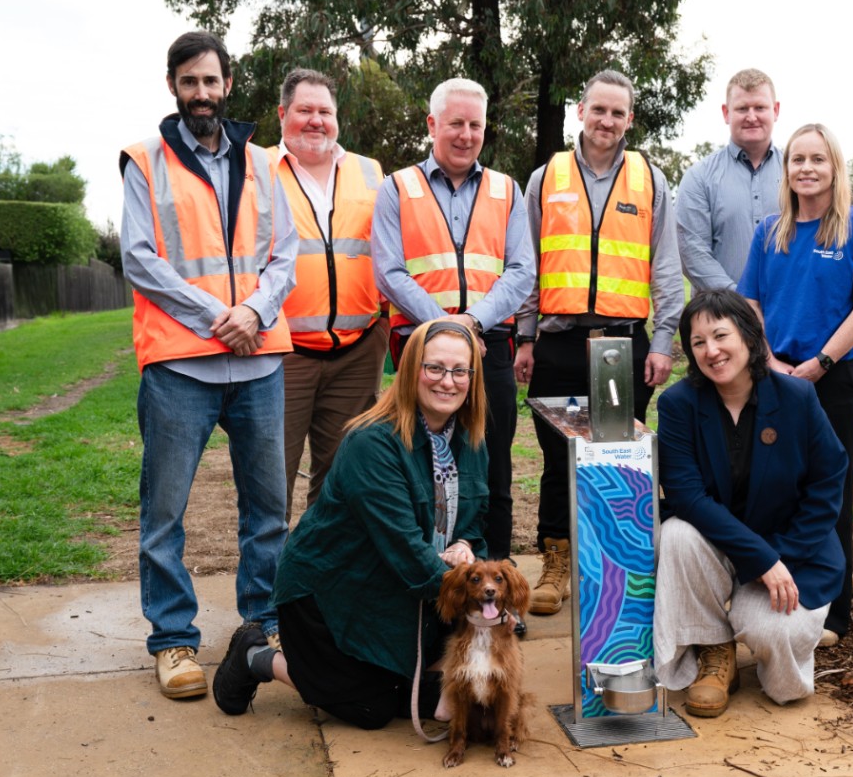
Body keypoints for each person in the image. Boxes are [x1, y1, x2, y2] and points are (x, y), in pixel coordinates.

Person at [119, 31, 298, 699]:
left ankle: (264, 626)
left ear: (228, 85)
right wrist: (216, 316)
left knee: (268, 512)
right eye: (189, 82)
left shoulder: (264, 165)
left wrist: (252, 313)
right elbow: (140, 258)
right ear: (173, 86)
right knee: (164, 512)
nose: (201, 93)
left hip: (258, 364)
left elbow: (283, 257)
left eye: (211, 81)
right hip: (180, 367)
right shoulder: (144, 160)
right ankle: (173, 642)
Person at [211, 320, 489, 727]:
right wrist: (479, 598)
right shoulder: (372, 442)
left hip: (411, 591)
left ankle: (401, 681)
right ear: (411, 369)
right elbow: (406, 552)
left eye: (459, 371)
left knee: (426, 688)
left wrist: (465, 543)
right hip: (334, 596)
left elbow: (476, 521)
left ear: (472, 378)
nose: (448, 382)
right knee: (369, 710)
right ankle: (256, 655)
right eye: (435, 368)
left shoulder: (470, 439)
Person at [515, 69, 683, 616]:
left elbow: (666, 268)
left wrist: (662, 343)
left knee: (615, 459)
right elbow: (529, 265)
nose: (606, 121)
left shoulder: (652, 180)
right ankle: (557, 561)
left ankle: (615, 566)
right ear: (579, 111)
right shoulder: (545, 178)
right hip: (558, 344)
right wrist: (524, 337)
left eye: (617, 112)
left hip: (622, 346)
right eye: (598, 110)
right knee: (559, 459)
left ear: (629, 119)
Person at [653, 290, 847, 717]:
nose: (711, 350)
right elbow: (687, 496)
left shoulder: (797, 397)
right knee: (678, 534)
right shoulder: (677, 405)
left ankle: (774, 647)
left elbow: (828, 481)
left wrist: (780, 557)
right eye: (698, 341)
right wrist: (759, 559)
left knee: (770, 635)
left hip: (792, 549)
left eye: (721, 335)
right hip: (720, 547)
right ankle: (714, 652)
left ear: (749, 336)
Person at [737, 123, 853, 645]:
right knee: (776, 490)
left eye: (817, 159)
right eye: (797, 159)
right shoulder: (768, 231)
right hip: (774, 376)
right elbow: (751, 304)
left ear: (835, 168)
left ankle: (832, 614)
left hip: (833, 378)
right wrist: (771, 361)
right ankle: (780, 600)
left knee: (832, 494)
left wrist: (822, 361)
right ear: (787, 169)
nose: (806, 168)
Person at [372, 78, 535, 566]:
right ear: (432, 125)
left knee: (493, 468)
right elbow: (388, 269)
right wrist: (447, 329)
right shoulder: (397, 187)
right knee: (417, 463)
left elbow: (522, 269)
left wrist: (473, 324)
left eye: (475, 125)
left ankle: (493, 583)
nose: (466, 134)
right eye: (455, 124)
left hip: (491, 350)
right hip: (419, 349)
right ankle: (423, 577)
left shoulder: (508, 189)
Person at [272, 68, 387, 519]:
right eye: (305, 110)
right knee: (270, 479)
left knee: (340, 481)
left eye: (325, 111)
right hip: (282, 355)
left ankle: (321, 580)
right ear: (283, 114)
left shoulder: (370, 171)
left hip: (357, 355)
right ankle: (269, 585)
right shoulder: (257, 170)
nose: (315, 120)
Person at [676, 68, 782, 291]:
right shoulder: (699, 178)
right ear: (726, 113)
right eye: (742, 108)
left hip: (789, 316)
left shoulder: (797, 173)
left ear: (776, 110)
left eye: (760, 107)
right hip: (720, 318)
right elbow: (692, 253)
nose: (751, 117)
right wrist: (740, 303)